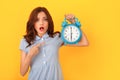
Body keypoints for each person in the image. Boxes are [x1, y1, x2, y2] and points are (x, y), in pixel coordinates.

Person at [19, 6, 89, 80]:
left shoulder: (56, 38)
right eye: (37, 20)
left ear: (49, 22)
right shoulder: (25, 41)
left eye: (45, 19)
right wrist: (30, 55)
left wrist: (74, 22)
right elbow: (22, 72)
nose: (41, 23)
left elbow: (84, 42)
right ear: (33, 23)